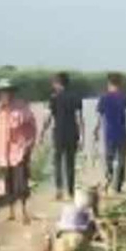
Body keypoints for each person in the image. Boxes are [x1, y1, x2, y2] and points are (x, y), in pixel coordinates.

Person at [0, 78, 38, 224]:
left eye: (8, 92)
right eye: (2, 93)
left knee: (21, 183)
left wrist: (29, 145)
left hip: (19, 152)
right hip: (2, 154)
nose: (5, 95)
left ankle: (24, 211)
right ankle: (11, 211)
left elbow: (32, 127)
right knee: (8, 184)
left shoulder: (22, 108)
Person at [41, 72, 84, 200]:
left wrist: (42, 132)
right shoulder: (76, 97)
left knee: (58, 163)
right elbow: (79, 118)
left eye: (54, 83)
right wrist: (82, 136)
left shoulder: (53, 98)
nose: (53, 86)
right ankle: (70, 191)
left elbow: (48, 118)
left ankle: (59, 189)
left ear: (58, 83)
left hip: (59, 134)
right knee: (70, 164)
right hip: (72, 134)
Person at [95, 73, 126, 194]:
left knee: (109, 158)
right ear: (120, 83)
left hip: (109, 133)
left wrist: (96, 130)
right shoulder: (124, 96)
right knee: (122, 159)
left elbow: (99, 116)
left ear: (109, 83)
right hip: (122, 132)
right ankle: (118, 185)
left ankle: (109, 179)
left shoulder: (104, 98)